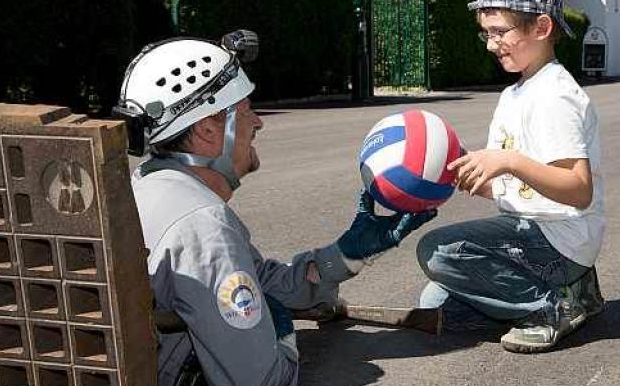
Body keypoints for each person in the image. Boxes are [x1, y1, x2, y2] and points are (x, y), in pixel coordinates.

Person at [114, 33, 436, 386]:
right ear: (208, 130)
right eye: (246, 109)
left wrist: (346, 254)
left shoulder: (149, 185)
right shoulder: (203, 227)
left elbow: (263, 281)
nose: (258, 122)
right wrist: (281, 330)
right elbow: (263, 380)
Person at [415, 0, 606, 353]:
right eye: (486, 33)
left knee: (437, 252)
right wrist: (455, 172)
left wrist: (509, 160)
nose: (490, 43)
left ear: (541, 27)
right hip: (528, 232)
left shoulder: (555, 95)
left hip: (558, 239)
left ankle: (552, 306)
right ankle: (578, 290)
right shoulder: (514, 94)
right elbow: (512, 187)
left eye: (500, 32)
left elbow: (579, 189)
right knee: (435, 304)